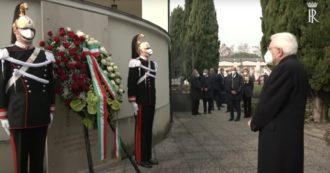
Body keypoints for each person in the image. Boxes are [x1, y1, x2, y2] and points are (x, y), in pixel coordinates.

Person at [0, 3, 55, 173]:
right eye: (24, 30)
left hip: (40, 113)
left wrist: (51, 109)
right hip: (18, 114)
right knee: (21, 162)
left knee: (38, 160)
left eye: (31, 30)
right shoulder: (6, 54)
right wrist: (2, 113)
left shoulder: (45, 55)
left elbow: (50, 83)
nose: (28, 33)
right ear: (16, 31)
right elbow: (1, 85)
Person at [249, 32, 309, 173]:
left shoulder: (284, 69)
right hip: (289, 134)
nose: (268, 52)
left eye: (270, 49)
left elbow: (269, 102)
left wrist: (254, 122)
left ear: (279, 51)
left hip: (278, 138)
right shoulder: (297, 67)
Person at [128, 34, 158, 168]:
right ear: (140, 50)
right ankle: (140, 159)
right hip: (141, 103)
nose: (149, 49)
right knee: (141, 131)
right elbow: (131, 83)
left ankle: (148, 157)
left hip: (151, 102)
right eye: (147, 47)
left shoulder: (152, 64)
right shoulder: (135, 63)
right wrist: (133, 102)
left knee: (148, 130)